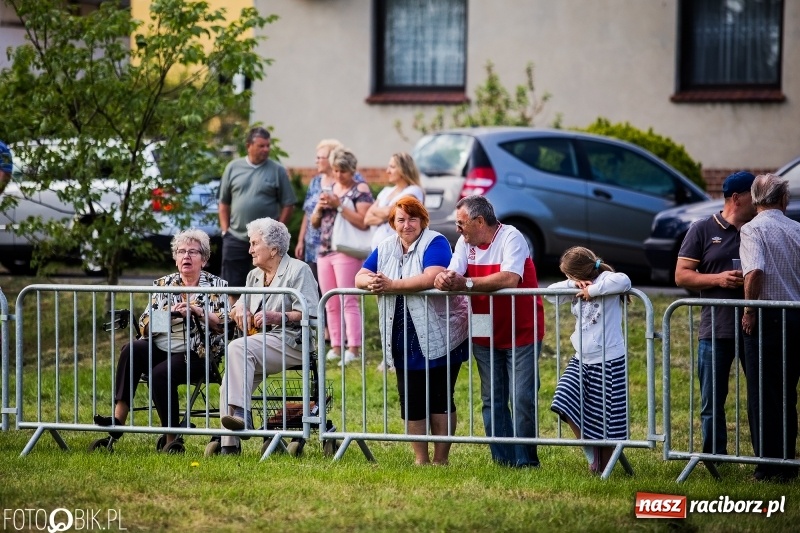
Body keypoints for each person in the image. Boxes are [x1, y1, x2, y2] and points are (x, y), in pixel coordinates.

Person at [355, 197, 469, 465]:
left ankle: (441, 459)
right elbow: (359, 276)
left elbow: (433, 275)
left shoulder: (436, 241)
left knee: (440, 397)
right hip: (401, 336)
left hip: (440, 331)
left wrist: (392, 284)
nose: (407, 225)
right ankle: (421, 459)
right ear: (393, 223)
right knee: (411, 400)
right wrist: (373, 282)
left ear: (423, 220)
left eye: (412, 218)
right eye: (401, 219)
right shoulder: (385, 247)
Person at [434, 195, 545, 468]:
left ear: (479, 221)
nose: (457, 229)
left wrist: (466, 284)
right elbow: (454, 272)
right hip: (485, 326)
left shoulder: (512, 237)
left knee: (522, 398)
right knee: (492, 398)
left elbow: (510, 278)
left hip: (522, 329)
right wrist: (444, 278)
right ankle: (502, 460)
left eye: (461, 223)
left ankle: (526, 461)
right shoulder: (463, 242)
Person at [94, 229, 228, 452]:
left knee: (160, 374)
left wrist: (196, 312)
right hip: (161, 346)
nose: (186, 256)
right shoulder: (163, 284)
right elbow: (146, 324)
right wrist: (169, 315)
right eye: (181, 252)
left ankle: (170, 438)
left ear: (204, 259)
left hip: (198, 353)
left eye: (193, 252)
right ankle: (118, 421)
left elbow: (224, 324)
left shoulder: (218, 287)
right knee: (132, 349)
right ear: (176, 259)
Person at [219, 217, 320, 455]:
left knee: (237, 348)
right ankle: (228, 446)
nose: (250, 249)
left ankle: (243, 415)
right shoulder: (254, 275)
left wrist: (279, 316)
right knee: (229, 382)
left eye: (255, 244)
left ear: (273, 249)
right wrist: (239, 309)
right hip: (260, 344)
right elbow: (238, 306)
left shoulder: (298, 270)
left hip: (292, 342)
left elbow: (313, 314)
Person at [674, 170, 756, 456]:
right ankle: (714, 458)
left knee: (759, 396)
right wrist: (718, 280)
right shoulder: (702, 229)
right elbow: (682, 276)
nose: (759, 202)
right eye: (753, 195)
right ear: (737, 197)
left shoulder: (757, 228)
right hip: (715, 328)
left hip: (754, 326)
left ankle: (765, 459)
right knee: (712, 400)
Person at [546, 247, 632, 473]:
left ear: (580, 271)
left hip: (608, 360)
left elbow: (624, 281)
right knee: (563, 400)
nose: (567, 279)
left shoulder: (607, 280)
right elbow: (548, 293)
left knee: (603, 419)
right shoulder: (574, 284)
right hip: (581, 359)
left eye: (569, 275)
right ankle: (591, 452)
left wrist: (593, 291)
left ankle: (603, 467)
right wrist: (571, 284)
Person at [739, 173, 800, 482]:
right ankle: (787, 463)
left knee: (763, 395)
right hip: (796, 317)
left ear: (754, 199)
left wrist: (750, 310)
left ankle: (767, 467)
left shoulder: (752, 230)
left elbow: (754, 272)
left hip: (768, 319)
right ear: (783, 199)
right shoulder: (797, 229)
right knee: (788, 394)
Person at [310, 147, 373, 366]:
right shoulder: (329, 188)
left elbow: (364, 222)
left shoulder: (360, 189)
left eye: (343, 171)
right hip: (324, 249)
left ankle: (353, 347)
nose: (338, 175)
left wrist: (339, 206)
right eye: (335, 170)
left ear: (352, 170)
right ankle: (336, 345)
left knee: (349, 299)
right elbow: (315, 223)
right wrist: (319, 209)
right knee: (330, 301)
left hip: (346, 250)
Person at [363, 152, 426, 372]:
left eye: (392, 166)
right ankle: (388, 356)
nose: (387, 171)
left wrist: (385, 213)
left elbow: (391, 214)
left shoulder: (413, 191)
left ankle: (404, 354)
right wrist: (384, 213)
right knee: (386, 308)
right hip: (382, 253)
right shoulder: (388, 191)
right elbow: (368, 216)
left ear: (403, 168)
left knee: (403, 307)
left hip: (404, 253)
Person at [218, 127, 297, 292]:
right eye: (261, 146)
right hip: (236, 237)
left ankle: (264, 315)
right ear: (249, 145)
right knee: (232, 285)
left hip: (267, 240)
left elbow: (288, 204)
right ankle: (233, 316)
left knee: (268, 282)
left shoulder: (277, 170)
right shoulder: (233, 167)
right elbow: (223, 202)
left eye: (268, 146)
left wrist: (277, 230)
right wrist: (225, 231)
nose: (266, 149)